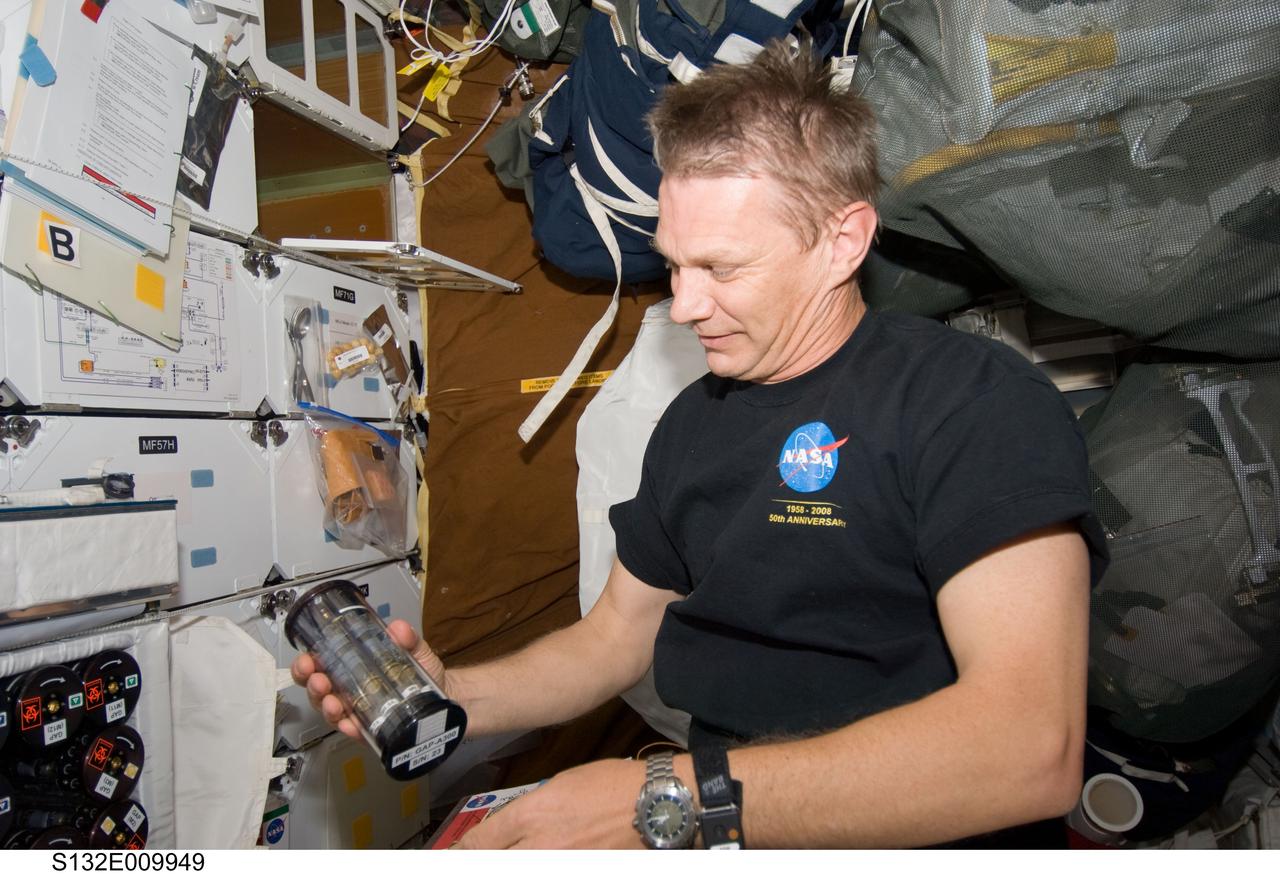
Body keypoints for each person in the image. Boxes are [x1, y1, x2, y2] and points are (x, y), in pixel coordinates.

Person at [293, 38, 1108, 848]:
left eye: (720, 268)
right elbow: (611, 640)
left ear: (842, 242)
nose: (683, 306)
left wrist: (667, 796)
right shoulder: (692, 424)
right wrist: (455, 693)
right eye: (675, 266)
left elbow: (1026, 752)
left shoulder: (970, 401)